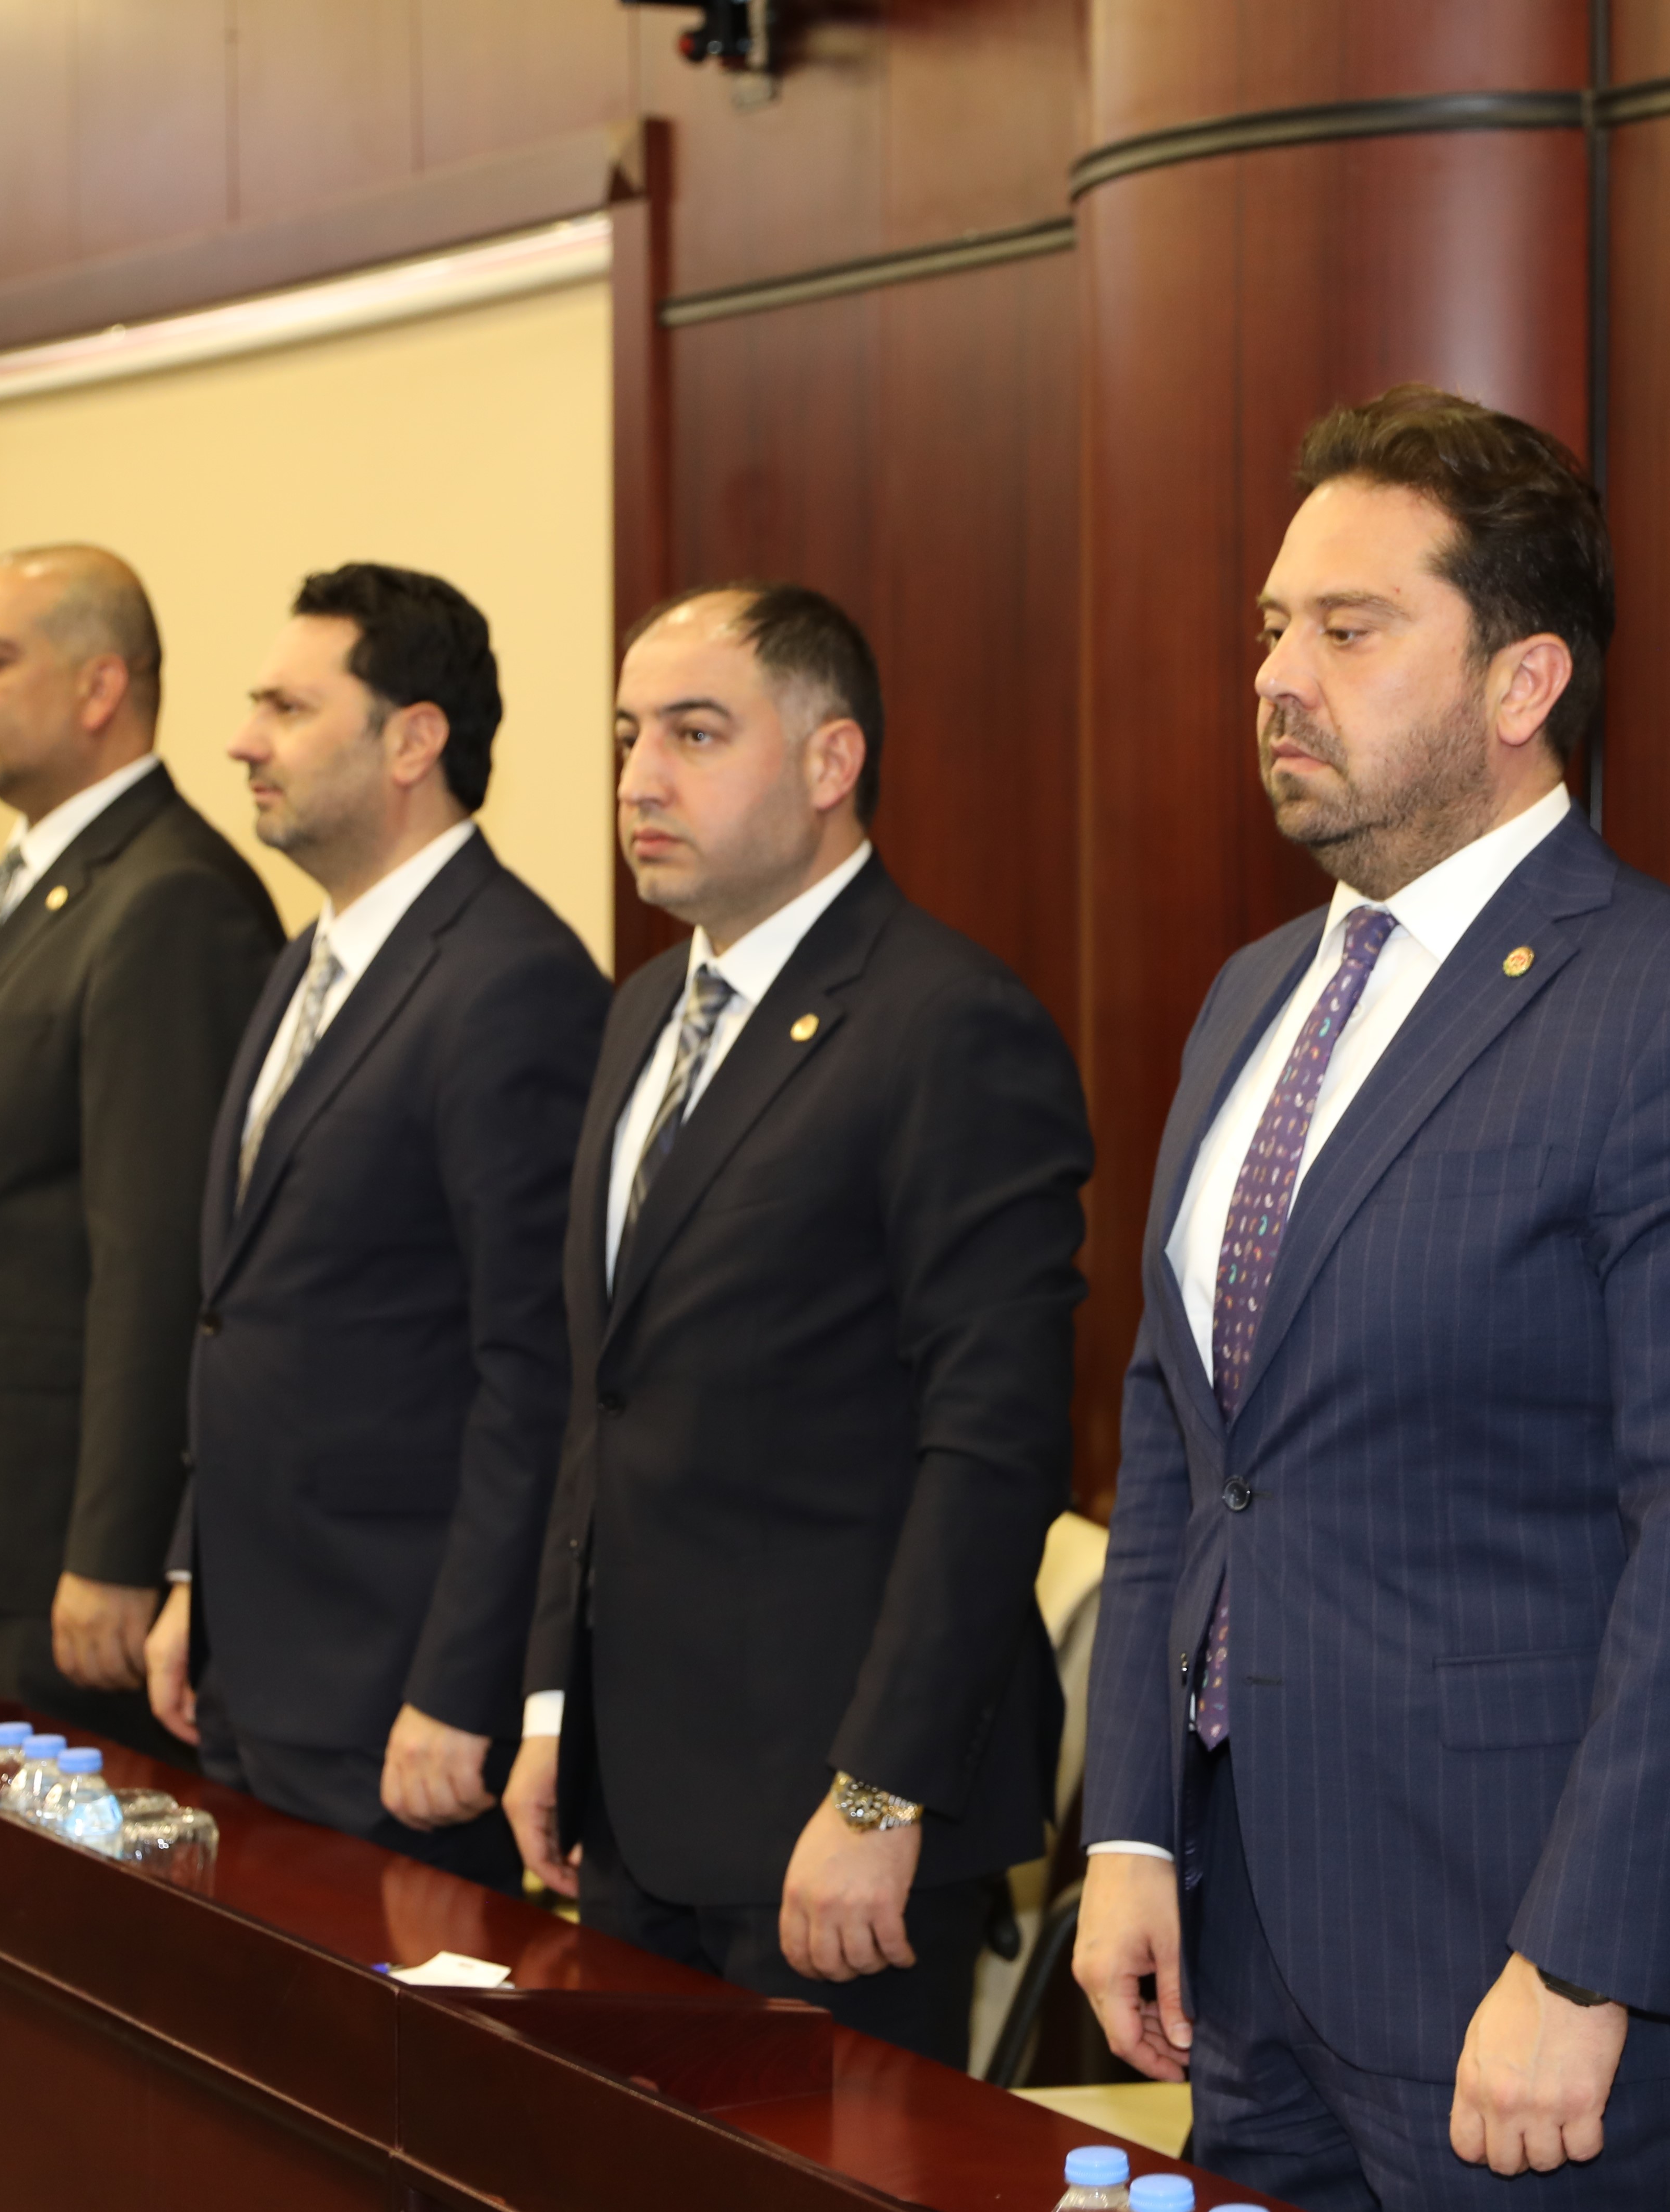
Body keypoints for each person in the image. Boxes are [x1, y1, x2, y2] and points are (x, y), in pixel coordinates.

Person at [1071, 386, 1670, 2212]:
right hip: (1245, 1955)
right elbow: (1180, 1441)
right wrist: (1128, 1829)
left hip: (1515, 1971)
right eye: (1272, 626)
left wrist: (1586, 1956)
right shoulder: (1249, 996)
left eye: (1348, 631)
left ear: (1522, 683)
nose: (1277, 676)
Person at [500, 582, 1092, 2065]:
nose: (641, 778)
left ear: (833, 761)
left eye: (696, 734)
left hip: (837, 1818)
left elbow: (993, 1447)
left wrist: (882, 1792)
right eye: (628, 735)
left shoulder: (946, 1021)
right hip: (639, 1798)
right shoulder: (644, 1011)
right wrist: (555, 1702)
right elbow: (604, 1396)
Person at [141, 564, 602, 1887]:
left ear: (413, 740)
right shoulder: (312, 955)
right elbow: (241, 1308)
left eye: (288, 708)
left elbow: (534, 1375)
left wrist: (463, 1683)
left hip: (392, 1693)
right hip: (255, 1660)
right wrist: (191, 1581)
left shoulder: (512, 981)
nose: (244, 741)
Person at [0, 543, 279, 1756]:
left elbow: (157, 1259)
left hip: (57, 1556)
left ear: (99, 687)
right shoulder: (32, 876)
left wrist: (117, 1548)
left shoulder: (170, 896)